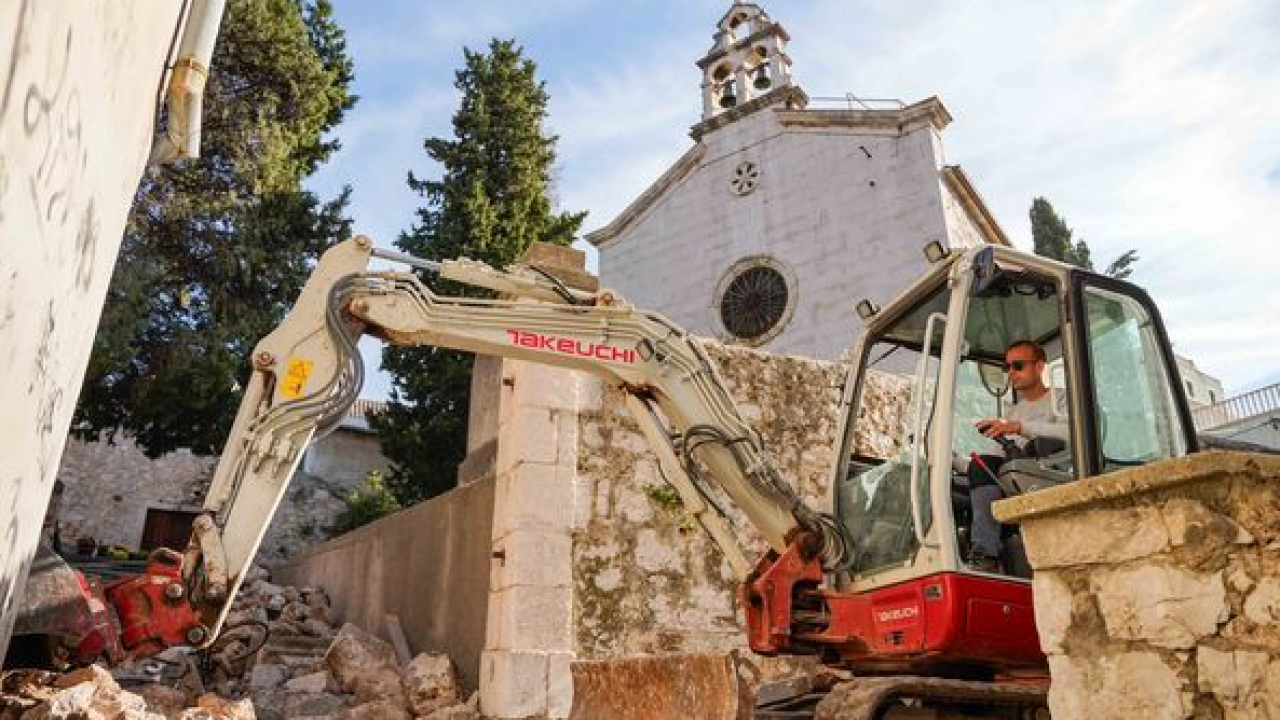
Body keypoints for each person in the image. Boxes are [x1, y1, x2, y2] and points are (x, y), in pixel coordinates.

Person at [965, 340, 1067, 572]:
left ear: (1040, 367)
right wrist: (949, 462)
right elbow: (993, 459)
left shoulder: (1061, 399)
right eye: (1007, 367)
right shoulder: (1015, 411)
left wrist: (1020, 428)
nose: (1011, 373)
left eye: (1018, 366)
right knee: (975, 471)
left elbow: (1073, 432)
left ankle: (986, 552)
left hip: (1051, 477)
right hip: (1016, 478)